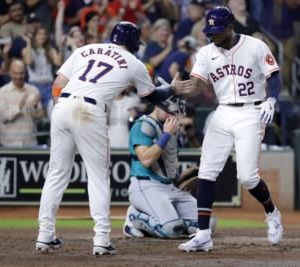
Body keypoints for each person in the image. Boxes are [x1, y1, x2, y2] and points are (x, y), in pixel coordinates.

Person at [35, 21, 193, 255]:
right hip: (90, 110)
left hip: (63, 106)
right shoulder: (133, 62)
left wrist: (65, 109)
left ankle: (45, 236)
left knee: (57, 174)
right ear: (132, 42)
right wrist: (173, 89)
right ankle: (101, 239)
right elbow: (152, 96)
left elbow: (58, 84)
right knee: (98, 177)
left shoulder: (83, 49)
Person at [178, 6, 284, 252]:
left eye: (217, 30)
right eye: (210, 30)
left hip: (251, 111)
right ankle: (203, 234)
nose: (212, 35)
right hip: (223, 111)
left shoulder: (255, 45)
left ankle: (272, 212)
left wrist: (272, 99)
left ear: (230, 26)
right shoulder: (205, 53)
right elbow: (195, 86)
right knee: (206, 171)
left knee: (247, 176)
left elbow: (274, 76)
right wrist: (176, 89)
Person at [123, 96, 216, 238]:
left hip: (169, 187)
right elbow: (146, 160)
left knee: (206, 225)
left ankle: (174, 220)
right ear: (158, 107)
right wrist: (166, 134)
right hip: (146, 185)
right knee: (170, 229)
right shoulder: (142, 125)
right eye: (170, 111)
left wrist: (180, 178)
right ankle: (134, 216)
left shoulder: (170, 127)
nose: (173, 116)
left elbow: (165, 163)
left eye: (175, 112)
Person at [0, 59, 43, 147]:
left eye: (21, 73)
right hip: (9, 144)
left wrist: (35, 106)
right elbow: (4, 117)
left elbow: (39, 118)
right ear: (10, 73)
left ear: (25, 73)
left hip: (29, 142)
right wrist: (19, 106)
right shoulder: (2, 92)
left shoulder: (33, 90)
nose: (18, 76)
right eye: (15, 73)